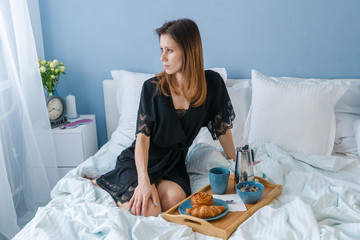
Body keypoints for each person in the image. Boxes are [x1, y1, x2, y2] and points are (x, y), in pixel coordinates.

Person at [93, 18, 236, 217]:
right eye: (161, 49)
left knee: (174, 200)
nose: (162, 58)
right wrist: (144, 183)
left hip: (173, 163)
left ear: (189, 51)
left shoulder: (212, 84)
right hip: (141, 162)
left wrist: (236, 160)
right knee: (150, 208)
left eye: (169, 50)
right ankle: (111, 182)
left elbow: (222, 127)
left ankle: (142, 187)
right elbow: (142, 139)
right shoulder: (151, 88)